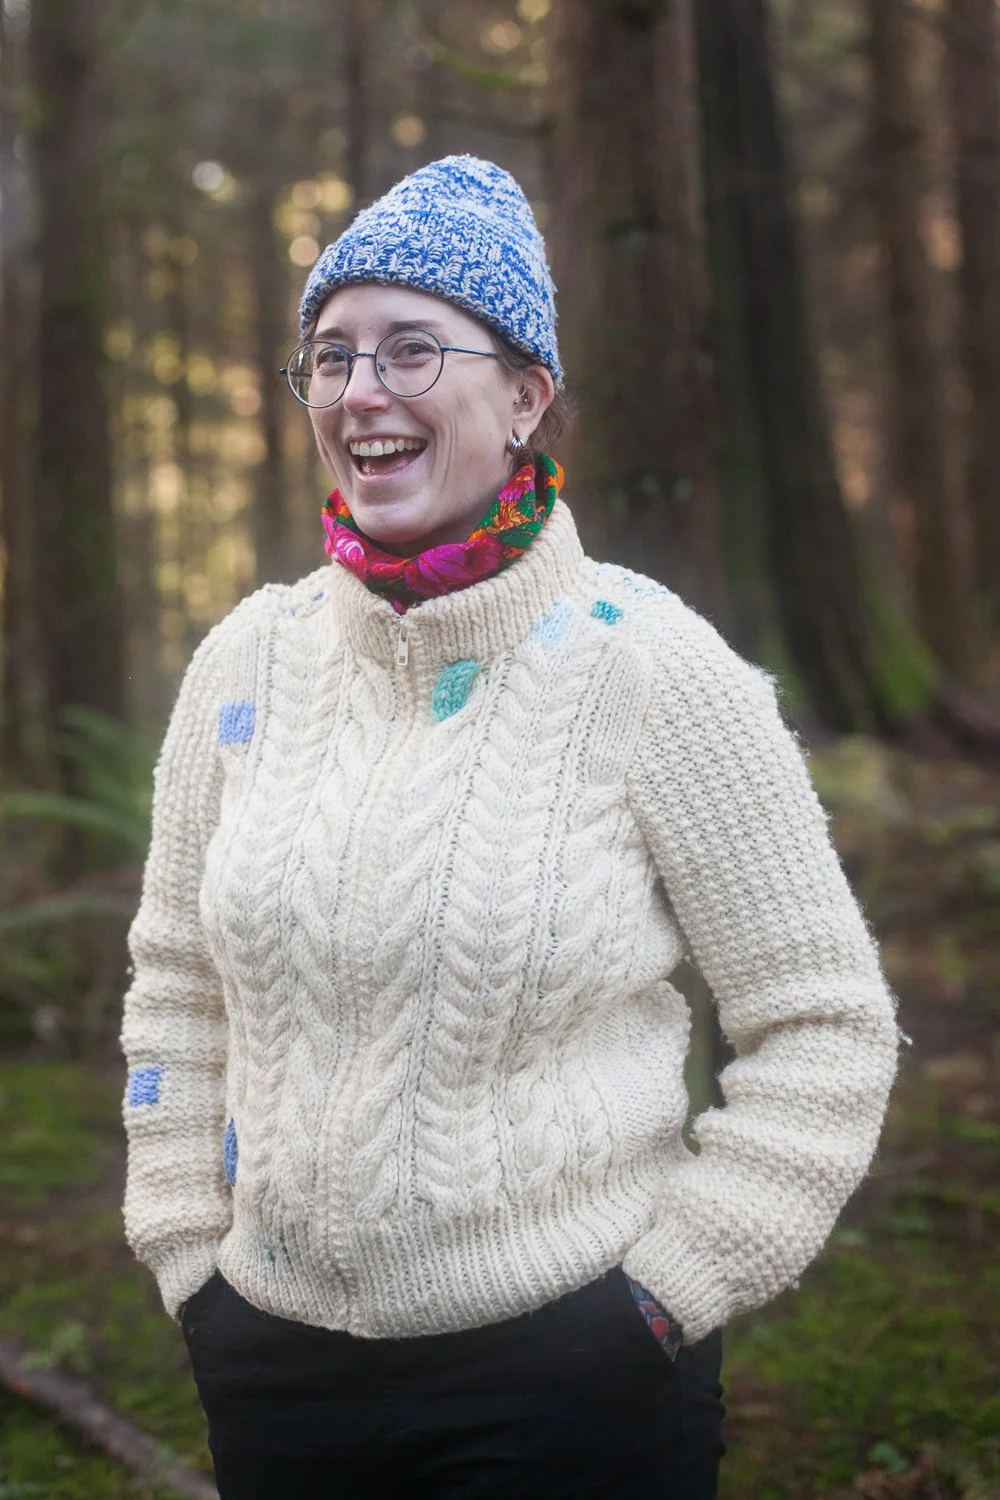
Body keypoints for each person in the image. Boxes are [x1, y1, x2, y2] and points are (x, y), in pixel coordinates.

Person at [120, 155, 898, 1500]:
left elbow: (825, 1022)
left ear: (528, 395)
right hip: (274, 1370)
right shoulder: (247, 663)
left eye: (413, 348)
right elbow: (176, 987)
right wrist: (191, 1256)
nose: (363, 391)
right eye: (332, 355)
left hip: (577, 1378)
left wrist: (665, 1297)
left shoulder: (653, 669)